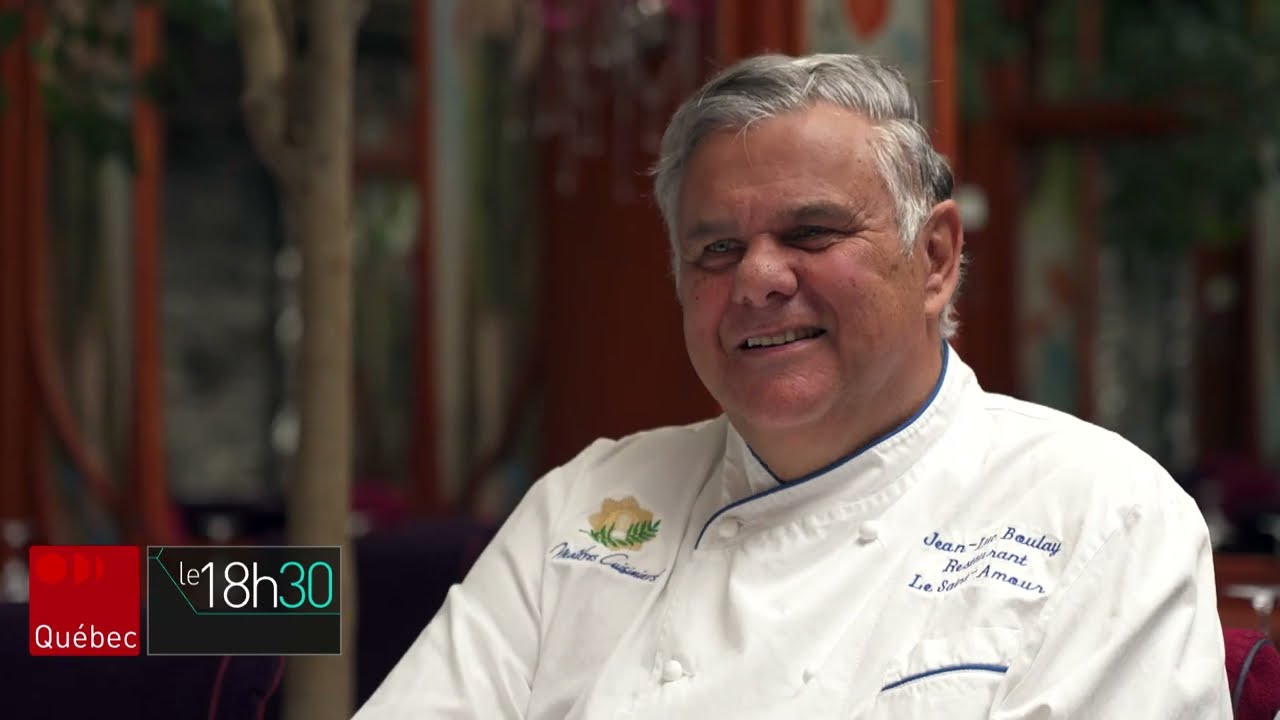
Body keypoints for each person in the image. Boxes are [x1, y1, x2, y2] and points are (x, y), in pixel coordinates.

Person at [353, 53, 1230, 719]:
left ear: (934, 258)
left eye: (811, 232)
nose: (757, 280)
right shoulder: (588, 502)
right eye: (716, 249)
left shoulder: (1101, 513)